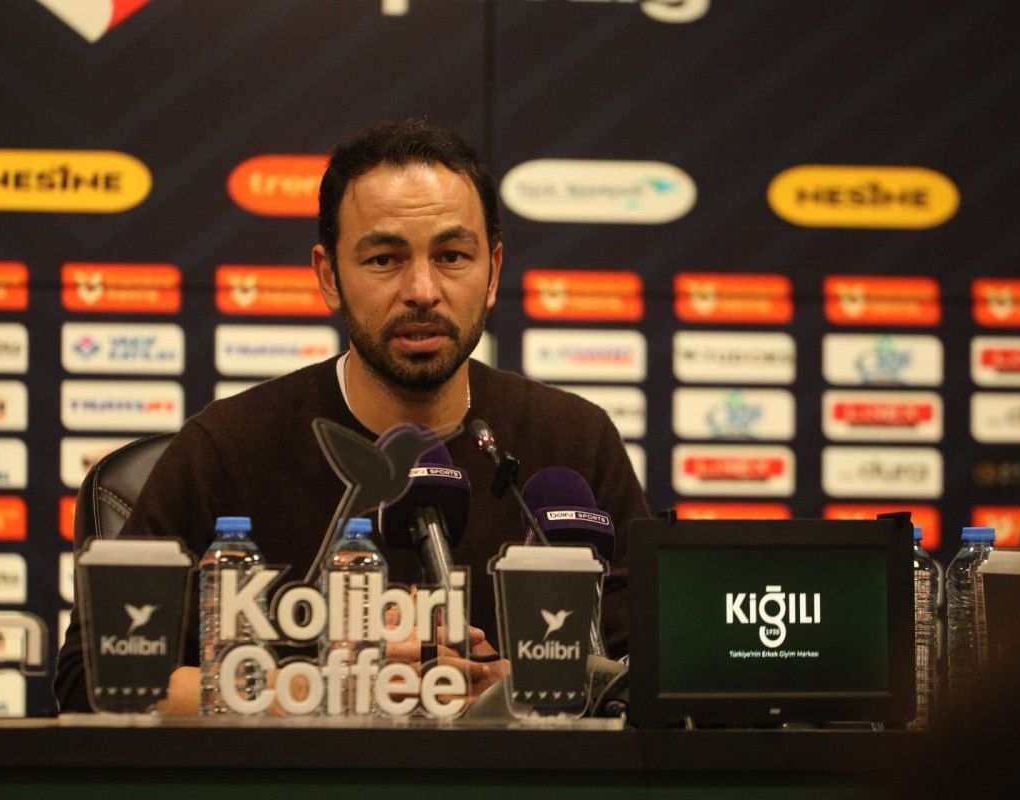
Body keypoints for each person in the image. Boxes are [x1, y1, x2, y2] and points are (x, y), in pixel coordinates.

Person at [54, 118, 650, 714]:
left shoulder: (575, 442)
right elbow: (93, 682)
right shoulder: (227, 448)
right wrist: (322, 691)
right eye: (385, 259)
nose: (422, 290)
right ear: (328, 276)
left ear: (492, 272)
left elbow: (656, 678)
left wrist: (516, 691)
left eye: (451, 256)